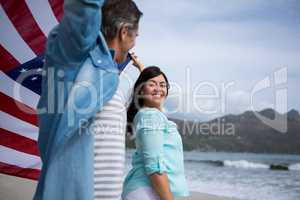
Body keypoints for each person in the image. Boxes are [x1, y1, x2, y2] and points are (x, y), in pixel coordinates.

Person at [34, 0, 142, 199]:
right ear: (124, 32)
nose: (136, 41)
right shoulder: (74, 60)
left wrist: (144, 72)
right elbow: (83, 8)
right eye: (136, 35)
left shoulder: (110, 80)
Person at [122, 66, 189, 200]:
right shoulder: (150, 116)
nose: (158, 88)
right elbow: (154, 165)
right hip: (149, 192)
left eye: (163, 85)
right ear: (141, 90)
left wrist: (142, 68)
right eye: (152, 84)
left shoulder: (152, 115)